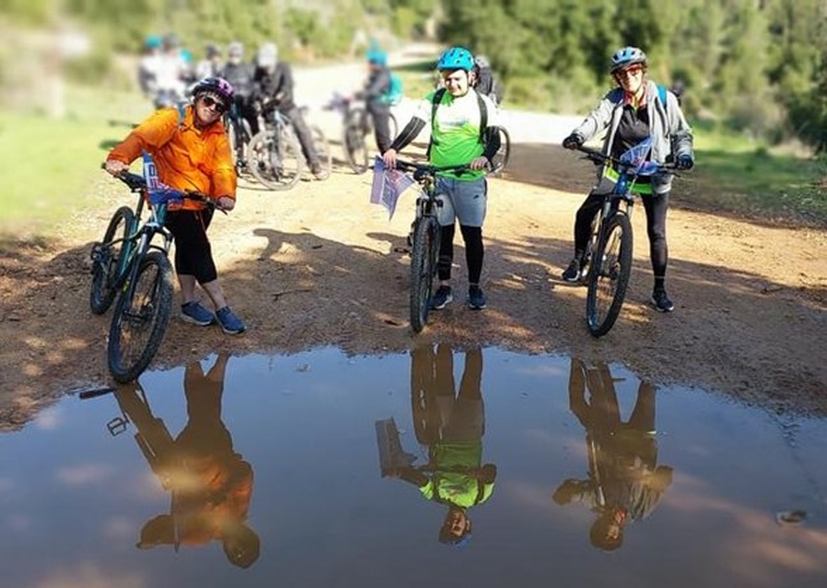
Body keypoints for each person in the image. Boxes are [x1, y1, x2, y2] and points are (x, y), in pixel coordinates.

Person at [104, 77, 246, 335]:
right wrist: (119, 158)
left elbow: (223, 166)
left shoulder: (218, 133)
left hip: (202, 201)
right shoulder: (173, 118)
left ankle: (189, 304)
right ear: (198, 97)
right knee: (199, 248)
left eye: (220, 107)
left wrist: (226, 194)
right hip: (170, 199)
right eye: (209, 101)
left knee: (188, 247)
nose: (213, 108)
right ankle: (222, 307)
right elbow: (142, 137)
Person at [561, 46, 694, 313]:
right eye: (621, 74)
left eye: (633, 71)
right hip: (618, 169)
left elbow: (683, 134)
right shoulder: (615, 99)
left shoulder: (665, 100)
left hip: (654, 172)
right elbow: (595, 120)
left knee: (656, 232)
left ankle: (659, 289)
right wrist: (578, 136)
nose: (627, 77)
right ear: (617, 79)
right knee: (584, 214)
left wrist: (684, 155)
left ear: (642, 72)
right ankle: (579, 260)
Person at [383, 46, 502, 311]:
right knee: (444, 234)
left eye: (457, 77)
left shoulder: (483, 104)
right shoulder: (434, 100)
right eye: (447, 77)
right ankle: (444, 287)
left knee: (472, 235)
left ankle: (474, 287)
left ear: (471, 76)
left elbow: (494, 138)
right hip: (439, 177)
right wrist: (394, 147)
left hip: (469, 178)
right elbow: (415, 126)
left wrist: (484, 157)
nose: (451, 83)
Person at [116, 354, 260, 568]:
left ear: (227, 549)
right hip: (212, 449)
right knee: (204, 413)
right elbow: (245, 472)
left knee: (202, 412)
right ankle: (201, 360)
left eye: (235, 548)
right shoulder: (239, 509)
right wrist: (218, 493)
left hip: (180, 464)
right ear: (248, 534)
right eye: (243, 541)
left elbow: (159, 530)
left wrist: (152, 541)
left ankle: (209, 359)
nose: (236, 540)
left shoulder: (199, 537)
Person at [552, 358, 673, 551]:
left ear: (597, 525)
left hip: (614, 439)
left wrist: (565, 497)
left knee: (600, 400)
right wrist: (648, 476)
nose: (611, 531)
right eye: (613, 536)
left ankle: (589, 359)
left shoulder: (599, 501)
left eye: (604, 533)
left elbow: (579, 495)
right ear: (620, 534)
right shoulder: (641, 511)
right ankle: (653, 349)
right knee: (648, 388)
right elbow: (665, 478)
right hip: (643, 442)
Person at [388, 344, 497, 545]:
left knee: (443, 382)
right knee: (471, 382)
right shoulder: (479, 496)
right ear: (467, 524)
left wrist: (400, 474)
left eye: (447, 526)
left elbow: (421, 481)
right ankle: (473, 339)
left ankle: (444, 338)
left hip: (443, 432)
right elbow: (492, 472)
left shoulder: (436, 495)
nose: (452, 523)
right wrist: (480, 474)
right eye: (457, 527)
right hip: (468, 434)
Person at [251, 42, 325, 179]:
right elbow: (255, 89)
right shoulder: (258, 71)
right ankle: (277, 167)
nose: (266, 68)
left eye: (268, 64)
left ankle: (315, 164)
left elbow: (288, 85)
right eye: (264, 65)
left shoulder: (283, 67)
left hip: (287, 105)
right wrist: (263, 98)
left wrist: (281, 95)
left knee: (302, 130)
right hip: (270, 108)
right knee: (274, 137)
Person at [353, 47, 394, 154]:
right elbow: (367, 87)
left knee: (383, 140)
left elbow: (374, 91)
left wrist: (358, 95)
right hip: (371, 105)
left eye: (372, 62)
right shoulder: (375, 73)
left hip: (380, 108)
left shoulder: (384, 75)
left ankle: (390, 165)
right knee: (361, 125)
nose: (369, 65)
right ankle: (355, 142)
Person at [219, 41, 257, 140]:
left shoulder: (248, 68)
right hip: (231, 101)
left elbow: (255, 85)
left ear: (241, 55)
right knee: (226, 120)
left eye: (237, 56)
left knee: (253, 118)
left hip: (246, 100)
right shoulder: (224, 69)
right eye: (232, 55)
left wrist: (253, 97)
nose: (234, 58)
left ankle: (257, 143)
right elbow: (219, 84)